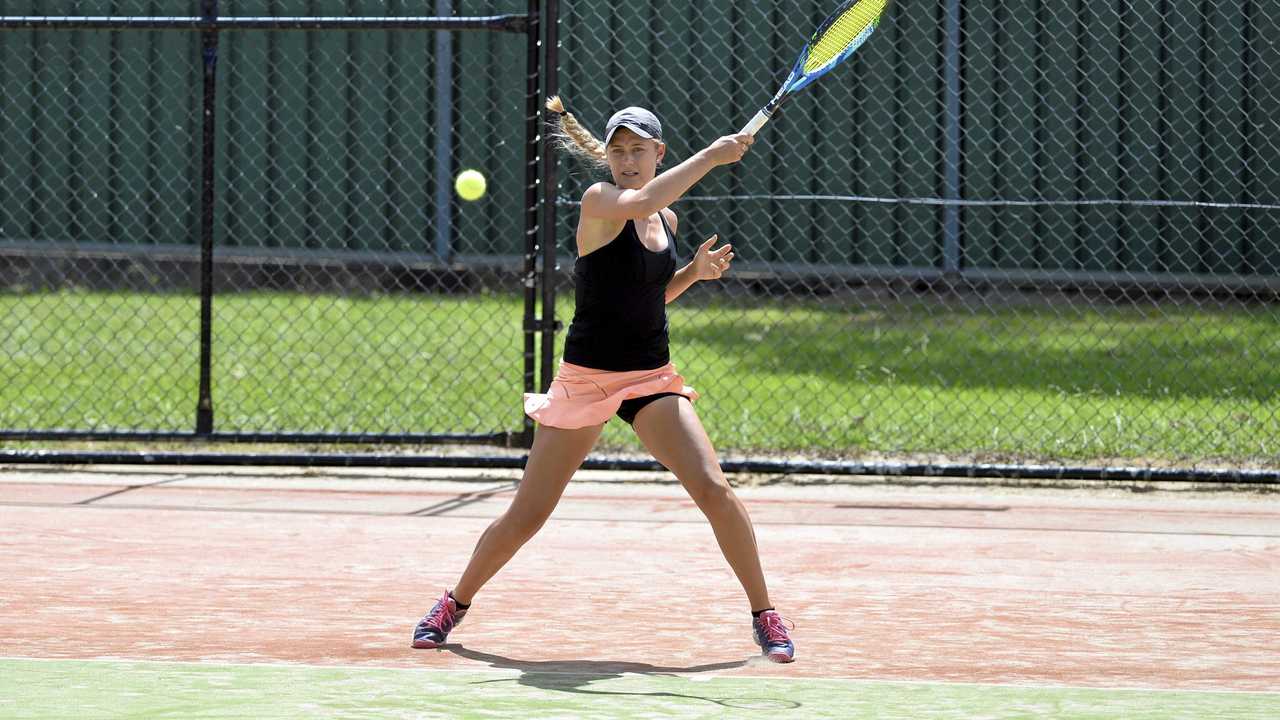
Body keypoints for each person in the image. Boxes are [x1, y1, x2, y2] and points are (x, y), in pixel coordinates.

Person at [411, 96, 795, 663]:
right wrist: (713, 157)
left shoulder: (665, 220)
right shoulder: (602, 201)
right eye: (619, 151)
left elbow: (646, 297)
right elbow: (643, 197)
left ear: (658, 153)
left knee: (714, 488)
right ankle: (454, 602)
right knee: (528, 513)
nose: (628, 160)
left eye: (639, 150)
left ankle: (765, 614)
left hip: (650, 378)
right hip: (587, 378)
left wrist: (692, 273)